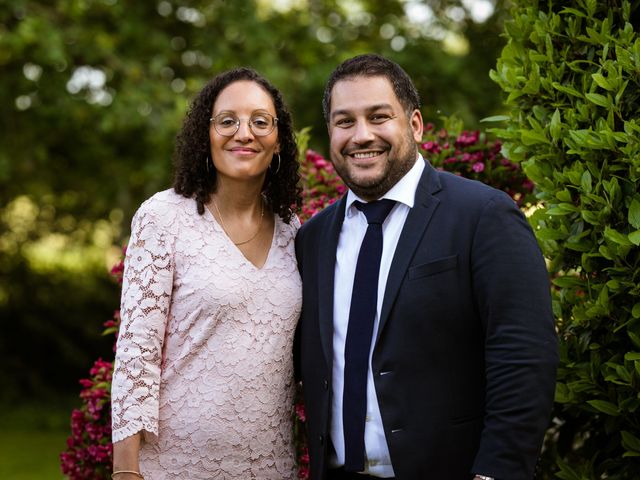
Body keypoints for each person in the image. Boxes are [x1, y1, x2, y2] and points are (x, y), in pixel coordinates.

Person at [295, 53, 559, 480]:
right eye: (345, 121)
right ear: (331, 131)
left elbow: (524, 355)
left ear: (415, 124)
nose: (361, 135)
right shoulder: (314, 238)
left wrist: (496, 472)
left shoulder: (483, 215)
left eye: (379, 117)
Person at [111, 67, 302, 479]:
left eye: (260, 121)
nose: (244, 133)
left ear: (279, 139)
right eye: (227, 121)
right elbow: (136, 351)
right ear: (206, 134)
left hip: (271, 465)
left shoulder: (292, 230)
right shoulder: (164, 218)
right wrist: (125, 470)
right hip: (176, 464)